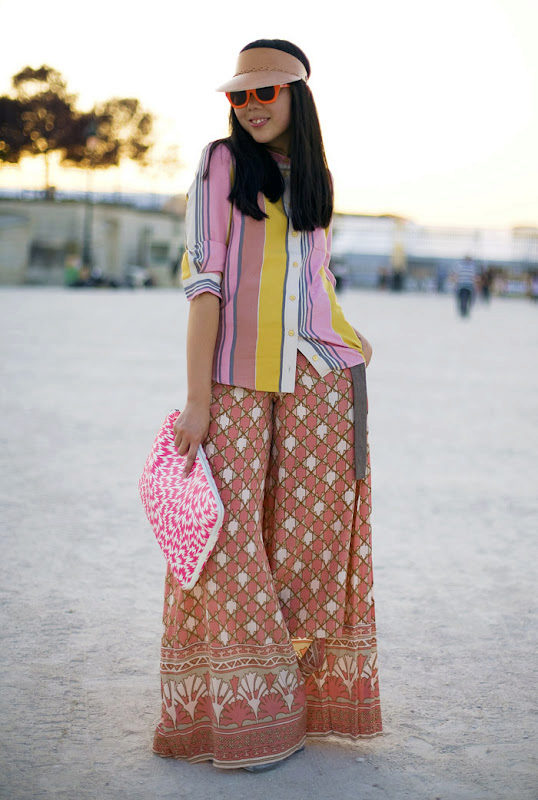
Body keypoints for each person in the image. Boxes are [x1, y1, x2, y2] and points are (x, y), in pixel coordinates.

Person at [152, 39, 382, 771]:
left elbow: (317, 278)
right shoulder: (221, 164)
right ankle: (253, 713)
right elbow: (205, 285)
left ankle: (300, 701)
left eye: (265, 92)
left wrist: (352, 341)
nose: (250, 106)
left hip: (321, 376)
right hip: (234, 380)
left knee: (308, 538)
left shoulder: (317, 176)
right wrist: (197, 399)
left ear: (295, 96)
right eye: (239, 95)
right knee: (228, 536)